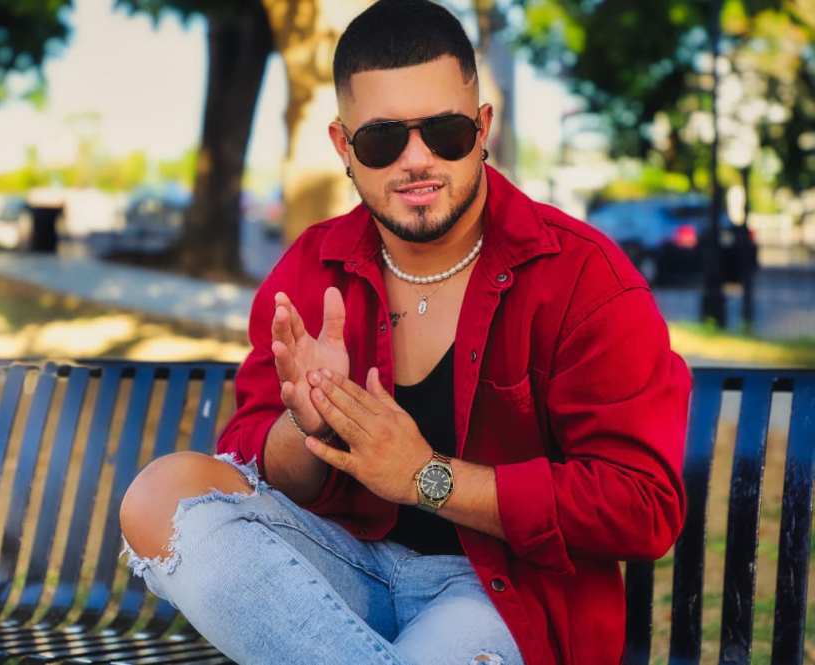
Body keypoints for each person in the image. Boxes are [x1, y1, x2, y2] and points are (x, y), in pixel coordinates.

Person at [120, 1, 691, 663]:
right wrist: (308, 427)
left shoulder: (582, 277)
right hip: (342, 567)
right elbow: (259, 469)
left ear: (482, 128)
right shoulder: (313, 267)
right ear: (343, 147)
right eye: (382, 140)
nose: (417, 160)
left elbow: (641, 506)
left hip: (506, 594)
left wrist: (426, 476)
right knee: (161, 496)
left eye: (445, 132)